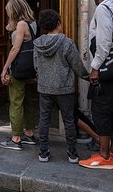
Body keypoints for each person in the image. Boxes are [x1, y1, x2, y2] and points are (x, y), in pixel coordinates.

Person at [33, 9, 89, 163]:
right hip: (64, 88)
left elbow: (36, 65)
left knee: (44, 119)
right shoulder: (67, 43)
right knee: (68, 120)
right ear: (58, 23)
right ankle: (72, 153)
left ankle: (43, 152)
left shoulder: (37, 43)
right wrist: (88, 76)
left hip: (44, 87)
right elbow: (77, 65)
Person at [80, 0, 113, 169]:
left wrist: (95, 67)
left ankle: (104, 154)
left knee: (101, 111)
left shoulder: (103, 8)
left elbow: (104, 41)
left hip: (107, 67)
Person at [0, 0, 38, 151]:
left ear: (14, 10)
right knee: (29, 101)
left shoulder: (21, 25)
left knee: (16, 102)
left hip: (19, 68)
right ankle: (29, 133)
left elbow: (16, 48)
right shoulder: (32, 22)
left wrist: (5, 67)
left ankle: (16, 138)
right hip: (31, 68)